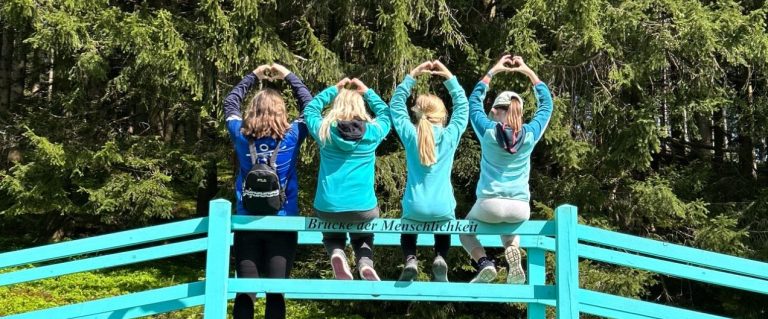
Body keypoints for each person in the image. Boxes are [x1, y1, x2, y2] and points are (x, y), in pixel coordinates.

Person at [223, 63, 312, 319]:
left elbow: (230, 103)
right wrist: (288, 75)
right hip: (282, 222)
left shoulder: (240, 134)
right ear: (281, 111)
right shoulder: (292, 134)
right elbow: (311, 106)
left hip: (246, 221)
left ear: (252, 110)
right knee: (276, 292)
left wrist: (253, 76)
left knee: (245, 292)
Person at [459, 55, 553, 284]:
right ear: (519, 112)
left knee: (464, 231)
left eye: (493, 111)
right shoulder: (530, 134)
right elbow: (547, 106)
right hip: (520, 207)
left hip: (489, 203)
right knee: (509, 232)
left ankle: (485, 263)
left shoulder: (489, 132)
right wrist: (528, 71)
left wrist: (493, 71)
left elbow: (473, 104)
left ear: (498, 111)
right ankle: (513, 254)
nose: (491, 114)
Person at [303, 77, 392, 281]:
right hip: (363, 207)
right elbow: (387, 114)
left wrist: (334, 89)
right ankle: (365, 263)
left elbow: (310, 110)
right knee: (363, 233)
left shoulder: (325, 130)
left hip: (328, 206)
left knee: (331, 232)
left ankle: (337, 252)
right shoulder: (372, 132)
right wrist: (367, 91)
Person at [389, 60, 468, 282]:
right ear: (442, 116)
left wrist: (412, 75)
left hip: (415, 205)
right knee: (444, 227)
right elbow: (463, 107)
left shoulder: (411, 135)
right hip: (442, 206)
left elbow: (395, 106)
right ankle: (441, 256)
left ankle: (411, 259)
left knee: (408, 226)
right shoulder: (450, 135)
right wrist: (449, 77)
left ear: (417, 114)